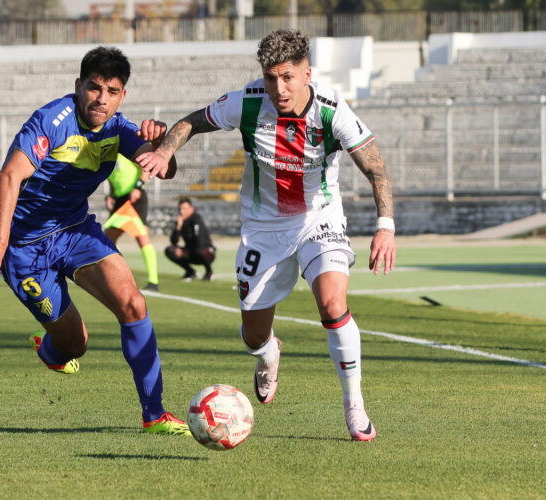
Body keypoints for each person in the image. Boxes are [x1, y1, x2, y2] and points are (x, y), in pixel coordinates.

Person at [137, 29, 396, 442]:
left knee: (332, 304)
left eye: (289, 77)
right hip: (263, 228)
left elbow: (376, 168)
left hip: (319, 219)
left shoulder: (332, 110)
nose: (280, 87)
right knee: (254, 334)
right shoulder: (248, 101)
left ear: (306, 73)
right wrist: (166, 151)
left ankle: (355, 406)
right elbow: (191, 122)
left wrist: (385, 226)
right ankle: (269, 354)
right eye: (272, 77)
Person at [0, 46, 189, 436]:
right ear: (79, 86)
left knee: (133, 303)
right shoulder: (51, 120)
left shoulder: (119, 129)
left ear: (123, 96)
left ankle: (154, 414)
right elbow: (9, 178)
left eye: (112, 91)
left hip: (74, 231)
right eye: (94, 87)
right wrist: (0, 244)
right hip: (23, 248)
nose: (101, 98)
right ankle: (52, 350)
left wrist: (162, 148)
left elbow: (164, 170)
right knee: (76, 344)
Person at [102, 154, 159, 291]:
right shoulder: (105, 154)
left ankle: (153, 281)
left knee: (142, 237)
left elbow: (145, 169)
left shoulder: (126, 151)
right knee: (108, 238)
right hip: (120, 200)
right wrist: (111, 195)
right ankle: (117, 275)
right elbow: (112, 177)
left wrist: (138, 187)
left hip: (135, 198)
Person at [164, 197, 216, 281]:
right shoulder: (181, 221)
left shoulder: (196, 219)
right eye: (180, 209)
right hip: (191, 251)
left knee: (199, 250)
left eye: (184, 208)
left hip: (206, 251)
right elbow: (174, 242)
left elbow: (199, 240)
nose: (181, 211)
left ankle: (209, 272)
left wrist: (187, 251)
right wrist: (178, 227)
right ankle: (190, 272)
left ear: (191, 209)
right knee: (170, 250)